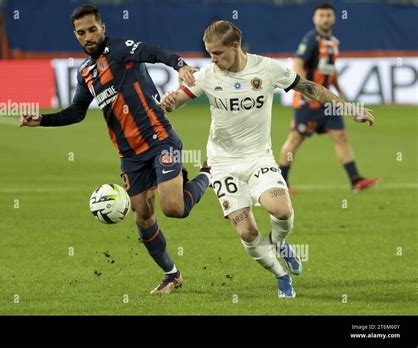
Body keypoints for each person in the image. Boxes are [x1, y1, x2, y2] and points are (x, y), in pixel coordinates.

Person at [160, 20, 374, 298]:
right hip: (222, 165)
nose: (212, 59)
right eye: (208, 53)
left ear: (235, 46)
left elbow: (310, 87)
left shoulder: (267, 69)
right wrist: (168, 102)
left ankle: (279, 240)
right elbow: (176, 101)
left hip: (259, 158)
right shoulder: (207, 76)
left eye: (217, 53)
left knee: (281, 211)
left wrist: (349, 108)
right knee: (247, 232)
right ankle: (281, 276)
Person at [19, 5, 212, 294]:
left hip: (159, 139)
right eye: (81, 33)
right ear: (76, 35)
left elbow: (154, 52)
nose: (88, 36)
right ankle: (172, 275)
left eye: (92, 29)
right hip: (130, 156)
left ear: (103, 28)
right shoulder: (85, 73)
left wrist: (180, 64)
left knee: (173, 208)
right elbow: (76, 113)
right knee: (142, 216)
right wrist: (42, 120)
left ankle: (209, 173)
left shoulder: (122, 50)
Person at [279, 3, 378, 194]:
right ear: (315, 19)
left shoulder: (333, 42)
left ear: (334, 18)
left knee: (340, 136)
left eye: (328, 15)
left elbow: (330, 72)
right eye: (321, 15)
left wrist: (341, 96)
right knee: (294, 140)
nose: (325, 18)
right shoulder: (311, 40)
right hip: (308, 102)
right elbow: (298, 64)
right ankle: (281, 183)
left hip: (327, 104)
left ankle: (355, 180)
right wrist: (304, 90)